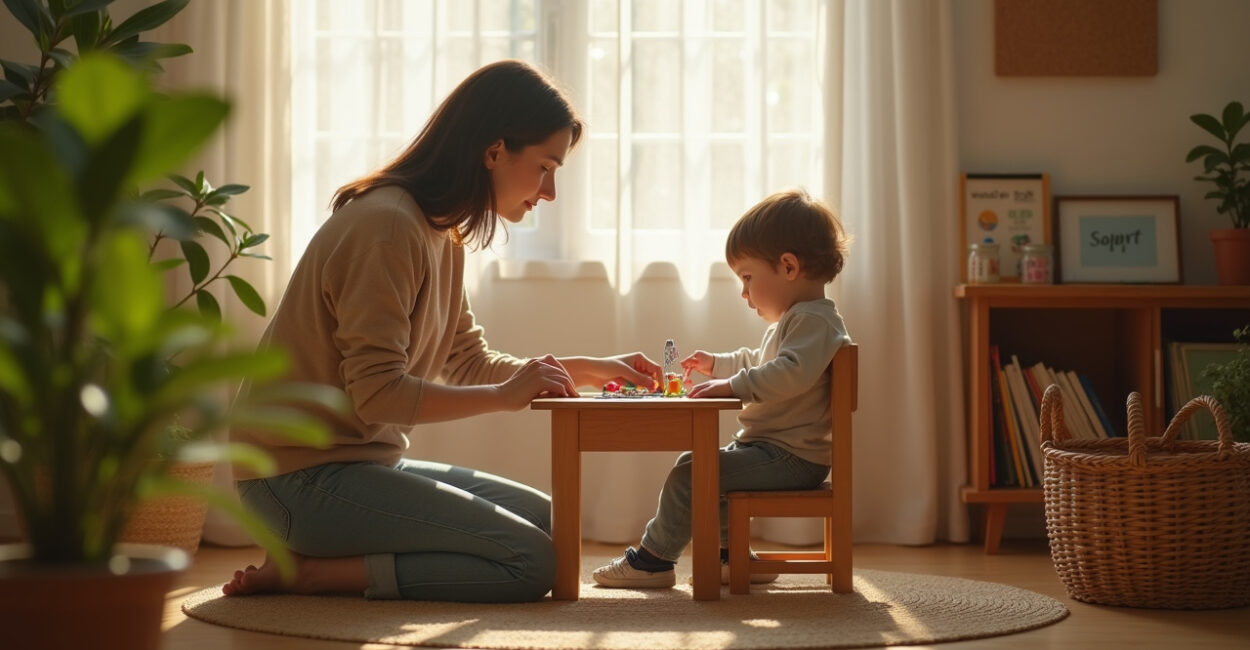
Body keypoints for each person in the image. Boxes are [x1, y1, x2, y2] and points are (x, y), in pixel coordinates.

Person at [222, 60, 661, 603]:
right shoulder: (386, 228)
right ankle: (311, 572)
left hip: (361, 464)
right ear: (494, 151)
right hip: (292, 481)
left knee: (557, 523)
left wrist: (592, 369)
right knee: (531, 561)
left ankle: (332, 556)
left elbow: (469, 361)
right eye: (546, 167)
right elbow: (379, 395)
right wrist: (503, 399)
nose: (549, 192)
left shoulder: (441, 233)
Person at [592, 188, 852, 588]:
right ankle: (728, 557)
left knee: (692, 473)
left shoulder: (814, 322)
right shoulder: (798, 322)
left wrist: (732, 384)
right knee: (703, 465)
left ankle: (653, 561)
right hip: (774, 450)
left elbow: (788, 374)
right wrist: (720, 364)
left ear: (788, 267)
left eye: (747, 278)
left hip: (791, 458)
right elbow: (760, 361)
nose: (744, 292)